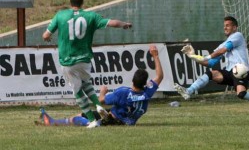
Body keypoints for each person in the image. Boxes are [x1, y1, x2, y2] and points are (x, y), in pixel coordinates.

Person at [42, 0, 133, 128]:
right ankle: (98, 105)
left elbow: (46, 35)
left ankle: (92, 120)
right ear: (82, 1)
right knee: (85, 84)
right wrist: (124, 25)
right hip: (85, 60)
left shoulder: (60, 15)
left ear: (70, 0)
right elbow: (112, 23)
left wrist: (48, 37)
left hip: (68, 61)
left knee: (77, 92)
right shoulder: (91, 16)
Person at [174, 16, 249, 115]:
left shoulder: (237, 36)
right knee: (211, 73)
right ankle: (189, 91)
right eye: (224, 26)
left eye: (228, 25)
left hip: (241, 71)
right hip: (231, 72)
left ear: (235, 27)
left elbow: (223, 50)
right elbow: (210, 63)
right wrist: (193, 56)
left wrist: (206, 57)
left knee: (241, 94)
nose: (225, 28)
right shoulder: (223, 44)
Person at [35, 45, 164, 127]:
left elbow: (101, 101)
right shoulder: (146, 94)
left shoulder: (123, 92)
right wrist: (156, 56)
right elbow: (159, 76)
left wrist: (103, 91)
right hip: (128, 122)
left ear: (133, 81)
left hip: (113, 120)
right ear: (144, 84)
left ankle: (54, 122)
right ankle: (56, 122)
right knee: (87, 115)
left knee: (82, 117)